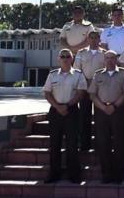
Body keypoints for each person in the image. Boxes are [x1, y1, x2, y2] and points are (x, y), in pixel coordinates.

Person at [42, 49, 88, 183]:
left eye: (68, 56)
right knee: (54, 144)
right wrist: (58, 107)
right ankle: (54, 174)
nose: (65, 59)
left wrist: (67, 106)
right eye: (62, 56)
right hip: (55, 111)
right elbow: (47, 93)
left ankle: (73, 174)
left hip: (71, 111)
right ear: (59, 59)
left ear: (72, 59)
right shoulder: (52, 75)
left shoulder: (78, 75)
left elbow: (81, 93)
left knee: (72, 144)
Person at [88, 50, 124, 184]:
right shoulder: (97, 74)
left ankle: (119, 174)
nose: (109, 60)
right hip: (101, 111)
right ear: (104, 60)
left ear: (116, 59)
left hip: (118, 111)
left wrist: (114, 106)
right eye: (107, 58)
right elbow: (92, 94)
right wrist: (103, 107)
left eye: (112, 58)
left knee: (120, 143)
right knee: (103, 143)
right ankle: (106, 174)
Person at [72, 30, 107, 152]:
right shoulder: (81, 53)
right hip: (85, 88)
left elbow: (107, 70)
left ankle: (99, 144)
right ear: (88, 39)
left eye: (96, 37)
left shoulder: (104, 53)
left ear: (99, 39)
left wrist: (96, 83)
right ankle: (84, 144)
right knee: (84, 116)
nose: (93, 40)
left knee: (100, 117)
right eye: (91, 37)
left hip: (100, 89)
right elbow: (77, 70)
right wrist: (84, 82)